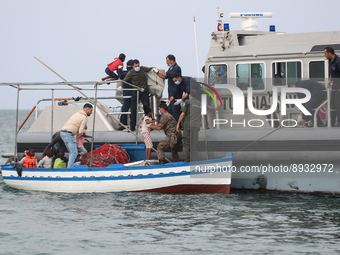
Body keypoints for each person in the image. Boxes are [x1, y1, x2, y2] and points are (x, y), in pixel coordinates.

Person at [123, 59, 152, 131]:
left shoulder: (142, 69)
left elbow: (150, 69)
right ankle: (132, 127)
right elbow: (124, 80)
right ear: (133, 66)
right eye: (136, 66)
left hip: (144, 91)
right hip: (136, 91)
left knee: (146, 107)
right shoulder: (131, 73)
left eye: (138, 65)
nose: (137, 67)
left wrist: (157, 70)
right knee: (133, 109)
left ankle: (149, 125)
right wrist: (120, 86)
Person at [60, 103, 93, 168]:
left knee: (72, 151)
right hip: (69, 134)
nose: (91, 112)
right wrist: (79, 137)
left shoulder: (77, 114)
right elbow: (81, 131)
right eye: (91, 111)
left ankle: (69, 166)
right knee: (74, 152)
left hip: (62, 132)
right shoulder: (84, 117)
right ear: (86, 110)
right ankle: (69, 168)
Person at [176, 90, 201, 162]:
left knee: (186, 143)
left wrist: (178, 124)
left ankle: (186, 161)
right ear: (196, 96)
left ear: (190, 95)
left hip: (188, 125)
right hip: (196, 126)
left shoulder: (187, 102)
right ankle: (194, 161)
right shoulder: (200, 103)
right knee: (194, 144)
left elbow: (183, 114)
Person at [156, 54, 182, 121]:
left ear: (171, 61)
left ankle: (177, 126)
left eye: (167, 61)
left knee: (175, 110)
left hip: (176, 92)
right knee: (170, 110)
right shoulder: (171, 68)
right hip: (171, 92)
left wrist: (159, 72)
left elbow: (168, 74)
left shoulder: (176, 68)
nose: (166, 63)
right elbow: (165, 77)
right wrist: (157, 74)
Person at [324, 47, 340, 126]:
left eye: (325, 53)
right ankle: (332, 121)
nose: (325, 55)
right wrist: (330, 80)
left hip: (339, 83)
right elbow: (332, 71)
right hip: (334, 83)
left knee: (338, 103)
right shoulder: (330, 60)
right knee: (332, 103)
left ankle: (339, 122)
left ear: (330, 53)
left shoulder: (338, 61)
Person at [117, 59, 134, 130]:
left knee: (125, 108)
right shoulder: (135, 72)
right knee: (133, 108)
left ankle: (123, 123)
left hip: (127, 92)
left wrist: (118, 69)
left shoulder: (127, 73)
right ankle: (132, 123)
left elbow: (121, 76)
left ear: (127, 66)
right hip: (134, 92)